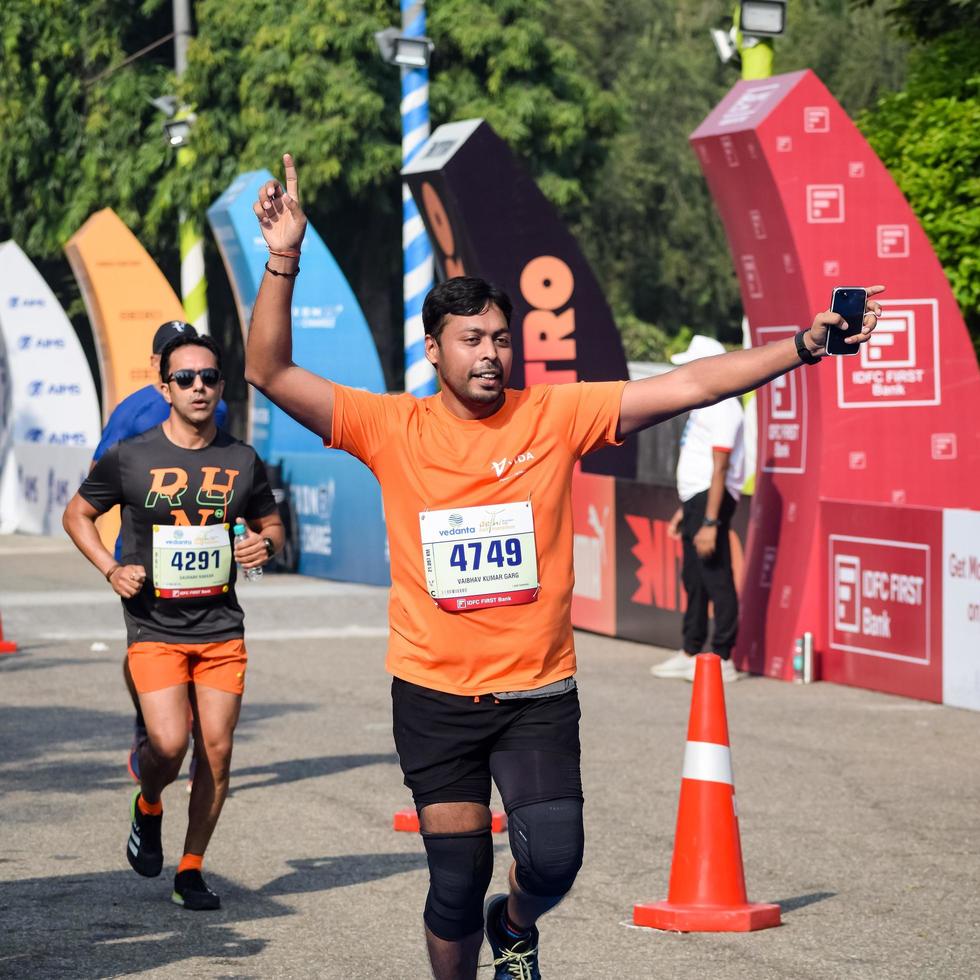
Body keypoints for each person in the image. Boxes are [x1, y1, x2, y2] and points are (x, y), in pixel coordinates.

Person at [244, 154, 882, 979]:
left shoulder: (554, 413)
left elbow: (688, 385)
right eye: (471, 340)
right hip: (434, 693)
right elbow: (269, 371)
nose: (490, 354)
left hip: (536, 691)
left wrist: (800, 346)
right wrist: (284, 257)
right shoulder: (386, 426)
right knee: (454, 875)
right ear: (434, 349)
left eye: (502, 339)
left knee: (552, 863)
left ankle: (514, 927)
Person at [63, 334, 283, 910]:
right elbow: (77, 514)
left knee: (216, 750)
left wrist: (263, 545)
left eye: (209, 377)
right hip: (154, 626)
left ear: (221, 385)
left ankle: (191, 868)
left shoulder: (241, 458)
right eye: (185, 379)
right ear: (164, 387)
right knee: (167, 742)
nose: (199, 387)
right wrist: (111, 569)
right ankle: (149, 803)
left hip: (220, 629)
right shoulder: (132, 455)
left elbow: (271, 525)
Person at [91, 320, 229, 782]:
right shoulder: (132, 412)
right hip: (141, 561)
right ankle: (146, 717)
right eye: (179, 368)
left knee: (200, 650)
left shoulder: (218, 408)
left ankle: (193, 741)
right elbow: (97, 479)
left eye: (204, 375)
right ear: (158, 367)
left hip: (202, 555)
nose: (196, 384)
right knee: (148, 651)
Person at [651, 334, 745, 684]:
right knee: (694, 579)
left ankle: (723, 656)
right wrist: (685, 509)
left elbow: (720, 469)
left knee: (716, 577)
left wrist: (709, 520)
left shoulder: (725, 407)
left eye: (693, 363)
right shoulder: (708, 402)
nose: (687, 371)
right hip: (697, 500)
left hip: (710, 501)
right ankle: (690, 650)